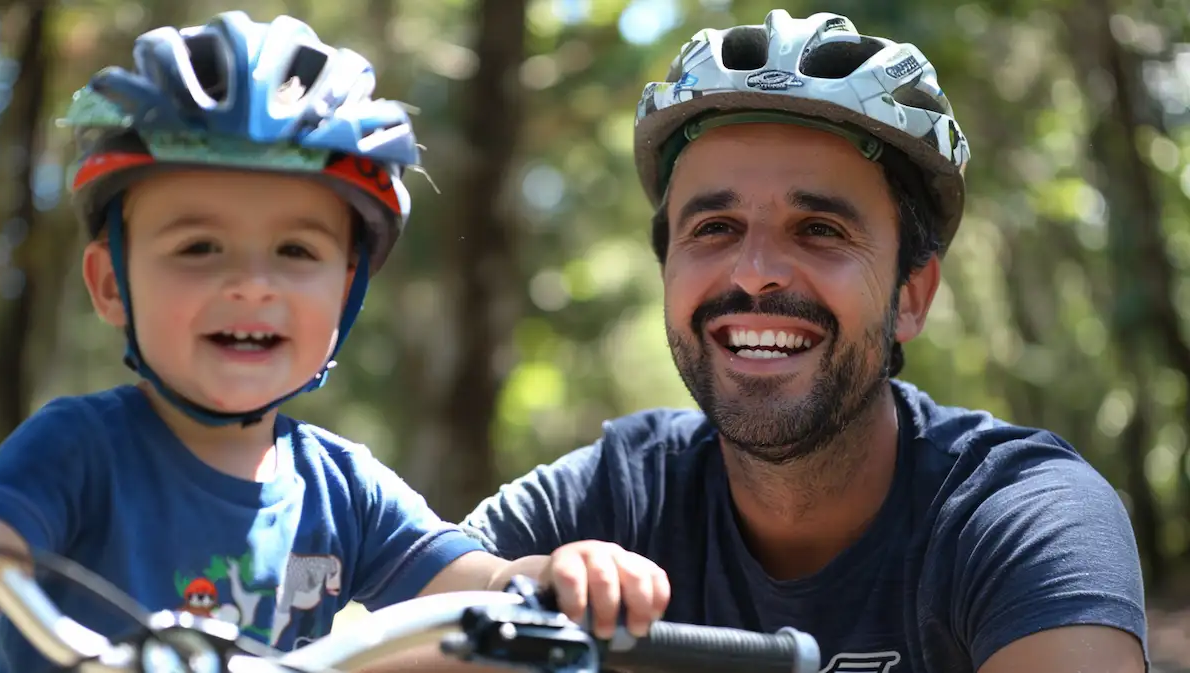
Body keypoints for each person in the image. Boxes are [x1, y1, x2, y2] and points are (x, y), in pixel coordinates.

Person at [463, 10, 1147, 673]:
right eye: (714, 228)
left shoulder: (1024, 517)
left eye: (820, 228)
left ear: (911, 294)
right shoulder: (606, 499)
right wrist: (523, 591)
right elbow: (382, 629)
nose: (756, 274)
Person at [0, 12, 669, 673]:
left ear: (348, 290)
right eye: (198, 247)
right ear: (111, 283)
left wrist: (560, 573)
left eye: (294, 249)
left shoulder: (342, 490)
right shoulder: (74, 452)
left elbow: (479, 585)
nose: (253, 284)